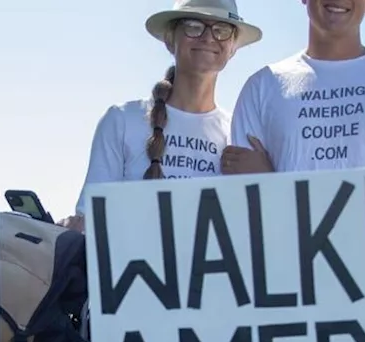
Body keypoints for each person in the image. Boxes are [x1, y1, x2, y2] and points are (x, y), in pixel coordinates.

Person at [61, 0, 262, 231]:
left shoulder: (236, 133)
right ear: (169, 39)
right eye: (193, 26)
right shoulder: (122, 120)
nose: (208, 38)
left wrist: (265, 178)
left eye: (221, 30)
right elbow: (92, 221)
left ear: (233, 46)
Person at [222, 0, 365, 176]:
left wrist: (270, 182)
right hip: (292, 244)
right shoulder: (262, 88)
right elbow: (244, 204)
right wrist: (263, 182)